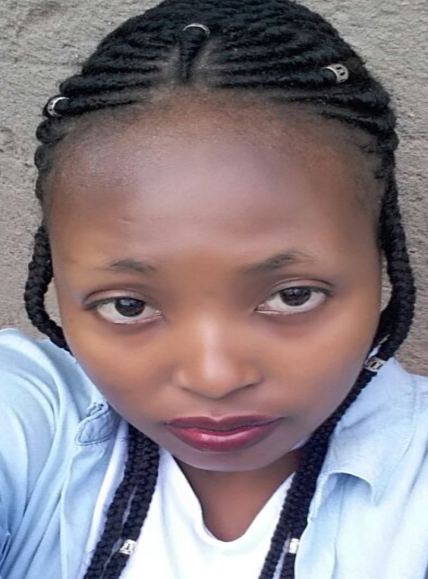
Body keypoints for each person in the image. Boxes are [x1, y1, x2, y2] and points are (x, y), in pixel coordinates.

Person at [1, 0, 426, 577]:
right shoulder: (32, 415)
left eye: (293, 296)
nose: (214, 377)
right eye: (128, 305)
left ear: (380, 261)